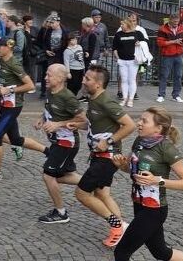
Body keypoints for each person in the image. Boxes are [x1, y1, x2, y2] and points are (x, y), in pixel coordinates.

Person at [111, 107, 183, 261]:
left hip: (154, 210)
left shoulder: (166, 148)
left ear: (159, 128)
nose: (139, 123)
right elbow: (131, 170)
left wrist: (158, 181)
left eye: (144, 121)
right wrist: (121, 165)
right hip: (139, 204)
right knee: (161, 252)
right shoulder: (139, 141)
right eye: (140, 119)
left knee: (121, 252)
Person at [73, 65, 135, 247]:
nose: (83, 81)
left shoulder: (107, 102)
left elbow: (129, 125)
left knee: (82, 193)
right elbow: (97, 125)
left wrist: (108, 142)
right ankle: (123, 228)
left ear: (98, 84)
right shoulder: (93, 98)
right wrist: (77, 126)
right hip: (99, 155)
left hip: (107, 157)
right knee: (102, 193)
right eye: (84, 77)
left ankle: (116, 225)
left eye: (88, 79)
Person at [0, 38, 43, 182]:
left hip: (13, 107)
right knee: (16, 140)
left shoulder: (14, 64)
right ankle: (48, 151)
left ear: (8, 47)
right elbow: (3, 80)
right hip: (4, 105)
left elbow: (30, 85)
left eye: (0, 46)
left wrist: (9, 89)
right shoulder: (1, 61)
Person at [35, 64, 85, 223]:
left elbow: (84, 122)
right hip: (57, 142)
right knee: (65, 175)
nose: (45, 78)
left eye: (49, 75)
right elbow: (48, 109)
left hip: (67, 142)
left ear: (60, 78)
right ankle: (92, 182)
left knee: (48, 175)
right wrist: (42, 119)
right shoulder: (51, 91)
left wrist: (59, 124)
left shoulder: (68, 97)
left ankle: (61, 213)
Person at [112, 19, 146, 108]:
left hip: (133, 61)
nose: (121, 26)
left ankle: (130, 99)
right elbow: (114, 47)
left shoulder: (137, 33)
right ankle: (124, 98)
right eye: (121, 24)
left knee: (132, 79)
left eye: (122, 24)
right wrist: (117, 57)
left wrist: (140, 44)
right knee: (124, 79)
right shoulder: (118, 34)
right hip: (122, 60)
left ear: (127, 25)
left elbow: (145, 44)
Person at [156, 14, 183, 103]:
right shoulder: (162, 29)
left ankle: (176, 95)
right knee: (164, 75)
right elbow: (160, 43)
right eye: (174, 22)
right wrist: (174, 41)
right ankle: (161, 95)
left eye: (177, 22)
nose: (176, 23)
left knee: (178, 76)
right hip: (167, 55)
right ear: (170, 20)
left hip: (179, 54)